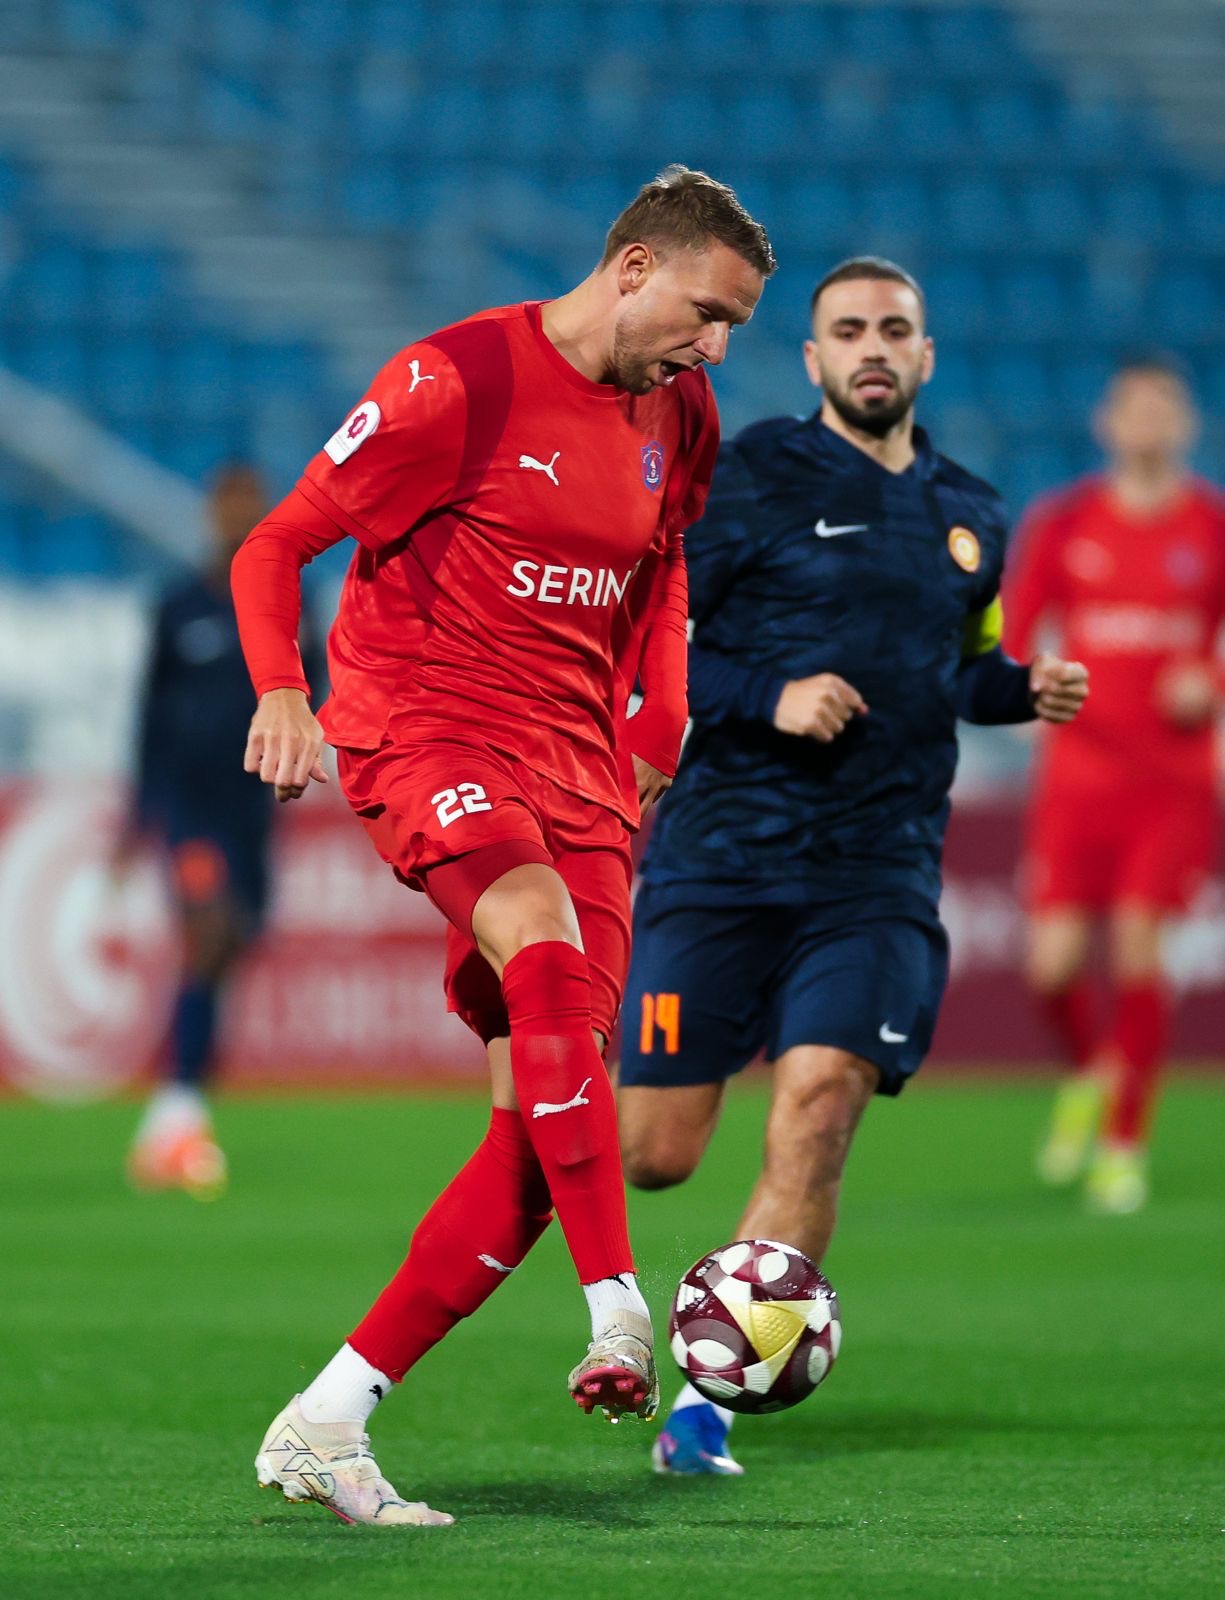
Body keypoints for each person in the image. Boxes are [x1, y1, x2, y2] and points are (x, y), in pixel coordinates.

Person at [228, 167, 773, 1526]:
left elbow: (664, 565)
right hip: (427, 724)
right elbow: (275, 545)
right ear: (635, 268)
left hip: (581, 768)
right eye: (707, 314)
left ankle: (327, 1420)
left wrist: (662, 715)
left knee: (538, 1133)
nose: (716, 349)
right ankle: (618, 1305)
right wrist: (282, 689)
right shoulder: (455, 380)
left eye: (735, 328)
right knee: (535, 926)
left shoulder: (680, 411)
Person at [614, 257, 1089, 1477]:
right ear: (813, 357)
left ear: (924, 356)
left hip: (875, 873)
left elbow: (960, 666)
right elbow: (648, 640)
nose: (871, 347)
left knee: (820, 1107)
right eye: (847, 330)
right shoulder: (747, 479)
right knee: (654, 1153)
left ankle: (704, 1406)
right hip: (721, 860)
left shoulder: (971, 513)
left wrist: (1021, 688)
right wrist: (766, 693)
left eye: (893, 329)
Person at [1006, 357, 1225, 1215]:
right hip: (1076, 776)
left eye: (1162, 408)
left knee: (1139, 953)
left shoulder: (1210, 526)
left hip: (1169, 782)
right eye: (1133, 408)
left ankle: (1122, 1144)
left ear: (1186, 423)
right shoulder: (1062, 523)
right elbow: (1015, 635)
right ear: (1106, 421)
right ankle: (1091, 1074)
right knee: (1050, 968)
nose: (1147, 423)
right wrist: (1027, 687)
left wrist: (1210, 679)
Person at [122, 465, 319, 1197]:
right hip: (189, 810)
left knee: (236, 939)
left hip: (250, 809)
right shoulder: (178, 607)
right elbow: (148, 715)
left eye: (250, 504)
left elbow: (315, 687)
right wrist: (138, 814)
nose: (238, 515)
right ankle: (176, 1111)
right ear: (212, 512)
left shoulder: (289, 602)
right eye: (229, 504)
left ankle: (176, 1107)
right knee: (207, 932)